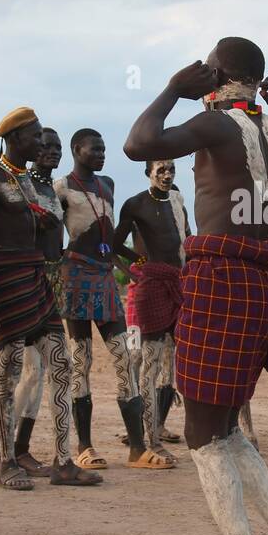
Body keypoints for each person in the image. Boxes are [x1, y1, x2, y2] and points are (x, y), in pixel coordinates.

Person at [125, 36, 268, 535]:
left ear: (216, 74)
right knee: (226, 427)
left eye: (207, 67)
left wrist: (171, 88)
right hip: (264, 283)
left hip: (221, 279)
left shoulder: (217, 124)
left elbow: (138, 144)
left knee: (200, 434)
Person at [0, 108, 101, 490]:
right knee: (7, 374)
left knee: (61, 366)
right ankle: (5, 460)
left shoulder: (31, 182)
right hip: (4, 283)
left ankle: (63, 461)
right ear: (14, 138)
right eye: (35, 136)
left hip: (39, 279)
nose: (41, 143)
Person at [55, 129, 158, 469]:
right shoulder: (62, 187)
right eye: (94, 149)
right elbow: (55, 240)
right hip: (75, 276)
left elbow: (110, 238)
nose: (101, 154)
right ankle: (84, 447)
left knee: (125, 357)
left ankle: (137, 448)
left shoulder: (108, 185)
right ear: (76, 149)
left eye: (103, 149)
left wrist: (130, 262)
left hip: (103, 277)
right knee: (80, 360)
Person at [114, 159, 190, 460]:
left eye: (172, 169)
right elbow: (112, 244)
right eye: (161, 170)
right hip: (149, 287)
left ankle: (159, 428)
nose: (167, 174)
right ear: (148, 173)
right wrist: (139, 266)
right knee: (148, 362)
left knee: (172, 363)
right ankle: (148, 441)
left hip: (178, 284)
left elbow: (186, 239)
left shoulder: (177, 202)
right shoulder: (135, 205)